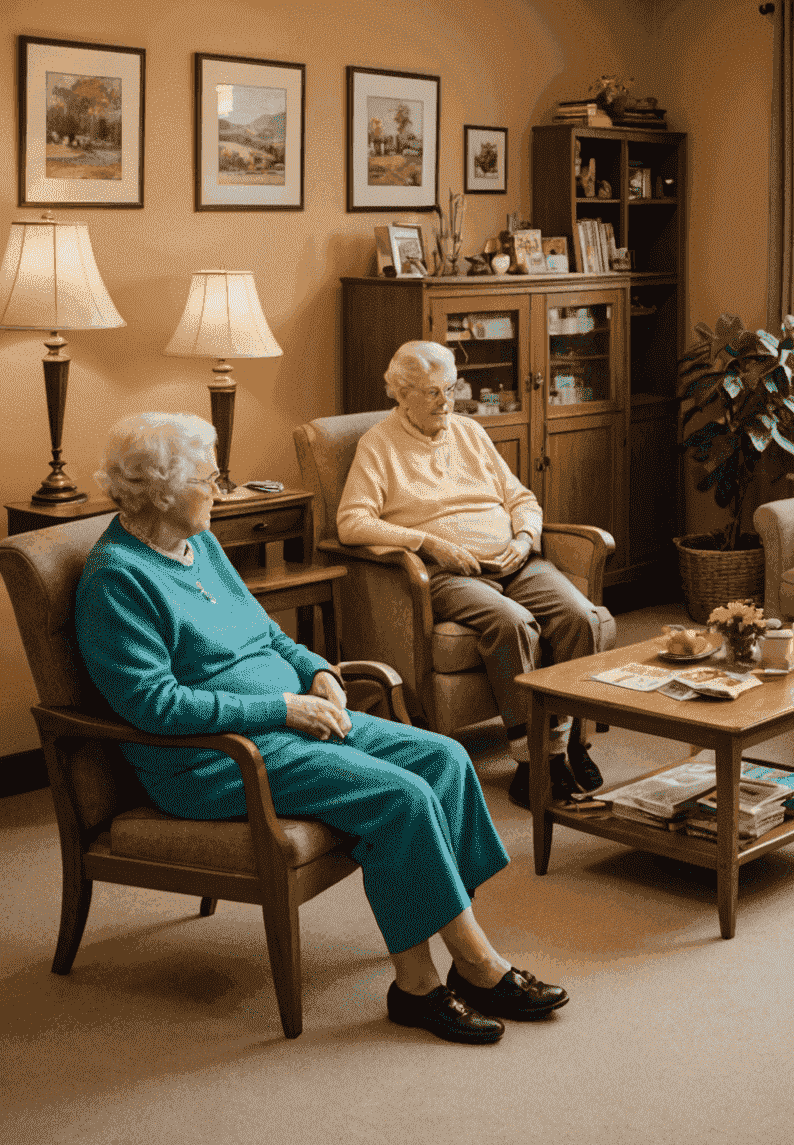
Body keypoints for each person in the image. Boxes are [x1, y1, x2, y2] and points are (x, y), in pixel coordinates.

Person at [75, 412, 568, 1046]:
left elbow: (269, 634)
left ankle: (458, 956)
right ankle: (436, 981)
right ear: (158, 491)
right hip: (211, 760)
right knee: (401, 797)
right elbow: (155, 705)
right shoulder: (117, 576)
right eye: (208, 478)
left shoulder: (201, 544)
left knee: (444, 759)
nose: (220, 491)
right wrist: (282, 708)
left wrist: (317, 672)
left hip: (289, 721)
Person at [336, 340, 616, 806]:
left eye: (450, 388)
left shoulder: (469, 432)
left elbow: (521, 498)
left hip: (516, 561)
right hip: (449, 576)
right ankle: (533, 764)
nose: (446, 402)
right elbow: (352, 523)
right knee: (512, 623)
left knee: (581, 617)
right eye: (431, 393)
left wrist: (525, 539)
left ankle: (568, 745)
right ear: (400, 394)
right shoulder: (378, 446)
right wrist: (430, 544)